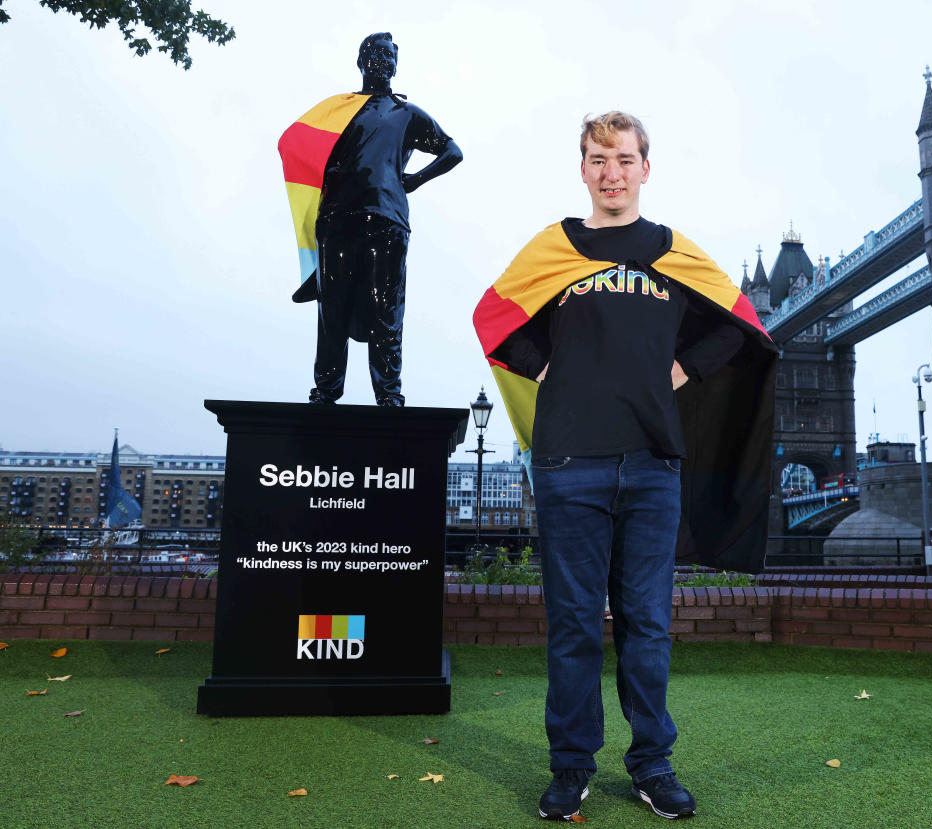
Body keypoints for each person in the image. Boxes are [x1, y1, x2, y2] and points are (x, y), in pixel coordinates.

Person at [473, 112, 777, 821]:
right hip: (566, 460)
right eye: (598, 157)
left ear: (646, 168)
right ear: (582, 168)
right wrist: (547, 366)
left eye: (625, 158)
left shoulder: (674, 252)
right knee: (574, 622)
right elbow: (493, 316)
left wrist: (679, 369)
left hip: (652, 464)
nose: (612, 170)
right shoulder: (555, 247)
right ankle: (571, 767)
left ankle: (652, 764)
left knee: (647, 622)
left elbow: (741, 324)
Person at [278, 32, 462, 406]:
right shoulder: (337, 111)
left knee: (386, 309)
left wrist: (414, 180)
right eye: (376, 54)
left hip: (388, 219)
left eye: (389, 55)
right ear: (360, 62)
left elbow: (452, 151)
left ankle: (389, 393)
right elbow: (295, 143)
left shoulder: (407, 114)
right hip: (337, 219)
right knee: (333, 309)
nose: (383, 60)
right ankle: (326, 391)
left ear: (396, 66)